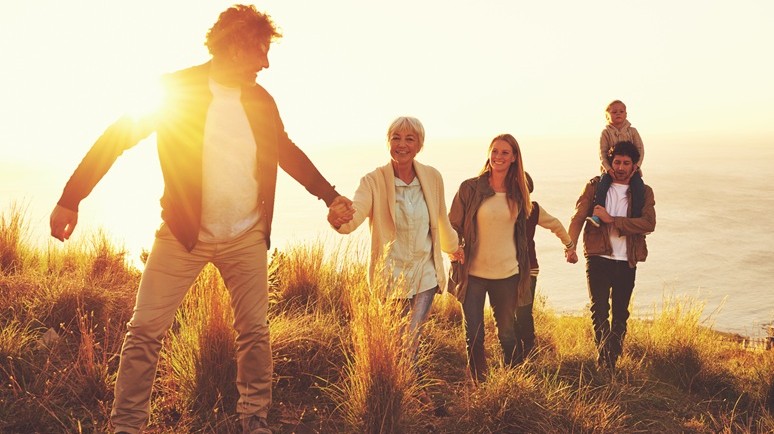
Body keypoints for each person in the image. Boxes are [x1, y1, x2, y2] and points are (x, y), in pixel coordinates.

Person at [49, 5, 353, 434]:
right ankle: (127, 425)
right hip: (182, 234)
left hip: (246, 235)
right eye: (260, 51)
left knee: (254, 332)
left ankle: (254, 417)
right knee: (144, 332)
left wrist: (330, 195)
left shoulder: (260, 100)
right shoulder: (178, 90)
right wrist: (71, 198)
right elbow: (116, 137)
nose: (266, 63)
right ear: (233, 47)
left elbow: (284, 151)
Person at [327, 116, 460, 363]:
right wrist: (338, 219)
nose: (402, 144)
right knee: (398, 342)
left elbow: (441, 220)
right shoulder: (373, 181)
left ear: (419, 145)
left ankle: (414, 395)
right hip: (391, 277)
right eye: (396, 138)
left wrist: (454, 249)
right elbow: (353, 218)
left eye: (410, 139)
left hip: (424, 275)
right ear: (388, 142)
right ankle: (407, 392)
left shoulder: (432, 178)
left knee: (410, 340)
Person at [447, 133, 532, 383]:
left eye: (505, 152)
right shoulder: (469, 188)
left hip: (507, 275)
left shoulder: (520, 192)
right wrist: (454, 247)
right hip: (472, 275)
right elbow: (453, 224)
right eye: (495, 151)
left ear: (514, 157)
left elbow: (522, 233)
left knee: (507, 334)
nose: (498, 157)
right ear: (489, 154)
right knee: (473, 335)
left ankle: (512, 382)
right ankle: (480, 385)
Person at [566, 140, 656, 371]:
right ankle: (605, 361)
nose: (621, 167)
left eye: (627, 163)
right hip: (598, 257)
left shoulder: (643, 192)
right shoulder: (595, 187)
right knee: (599, 311)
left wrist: (612, 220)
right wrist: (570, 245)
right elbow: (578, 216)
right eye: (617, 162)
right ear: (610, 162)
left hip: (627, 259)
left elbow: (648, 223)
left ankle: (610, 362)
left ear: (635, 166)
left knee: (620, 314)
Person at [516, 173, 575, 359]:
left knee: (523, 312)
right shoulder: (501, 207)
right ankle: (515, 352)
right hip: (505, 269)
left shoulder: (532, 209)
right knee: (509, 314)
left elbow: (555, 225)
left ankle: (528, 351)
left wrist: (569, 246)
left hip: (527, 269)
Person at [587, 100, 646, 228]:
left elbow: (640, 149)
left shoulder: (632, 131)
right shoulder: (606, 133)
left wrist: (637, 166)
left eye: (621, 111)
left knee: (638, 187)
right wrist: (608, 169)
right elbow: (602, 153)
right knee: (602, 186)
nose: (618, 114)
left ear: (626, 114)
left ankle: (636, 217)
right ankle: (597, 215)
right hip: (610, 170)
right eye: (614, 112)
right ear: (607, 116)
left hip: (632, 169)